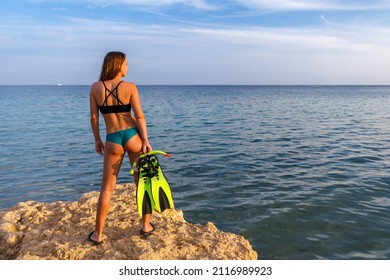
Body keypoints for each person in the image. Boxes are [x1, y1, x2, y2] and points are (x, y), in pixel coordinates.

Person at [88, 51, 153, 245]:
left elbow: (94, 118)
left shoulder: (95, 88)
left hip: (112, 138)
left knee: (107, 189)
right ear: (117, 66)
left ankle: (98, 235)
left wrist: (97, 140)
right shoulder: (130, 87)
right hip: (133, 135)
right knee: (141, 183)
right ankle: (146, 226)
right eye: (125, 63)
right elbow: (139, 116)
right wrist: (146, 141)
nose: (127, 67)